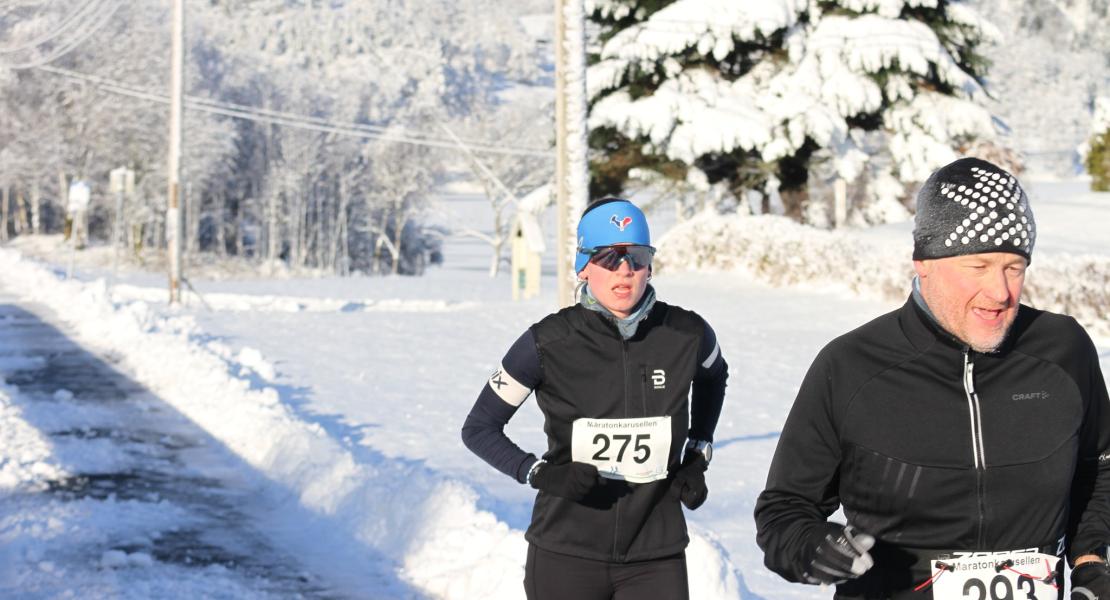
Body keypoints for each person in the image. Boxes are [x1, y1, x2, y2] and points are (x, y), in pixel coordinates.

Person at [754, 157, 1110, 600]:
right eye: (978, 266)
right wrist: (809, 546)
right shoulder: (851, 366)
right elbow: (784, 510)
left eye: (1014, 268)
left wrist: (1091, 563)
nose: (1000, 291)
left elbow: (1099, 468)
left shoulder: (1062, 350)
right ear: (924, 263)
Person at [461, 198, 729, 600]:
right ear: (583, 266)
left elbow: (714, 376)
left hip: (655, 554)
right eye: (608, 257)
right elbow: (479, 428)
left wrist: (697, 453)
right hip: (566, 551)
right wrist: (540, 474)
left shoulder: (687, 334)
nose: (624, 269)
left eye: (637, 256)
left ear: (650, 265)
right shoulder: (546, 343)